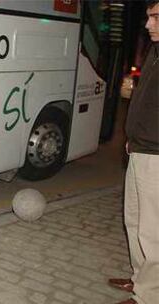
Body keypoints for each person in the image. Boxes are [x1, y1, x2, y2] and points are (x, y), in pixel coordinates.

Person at [108, 1, 159, 303]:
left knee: (153, 233)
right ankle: (140, 279)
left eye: (155, 18)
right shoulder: (155, 51)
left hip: (156, 156)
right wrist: (132, 137)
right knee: (135, 221)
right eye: (148, 17)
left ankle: (149, 297)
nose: (147, 24)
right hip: (140, 150)